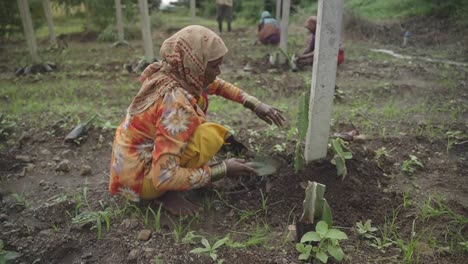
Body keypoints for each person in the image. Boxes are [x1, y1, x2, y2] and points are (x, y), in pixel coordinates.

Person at [109, 25, 285, 216]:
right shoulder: (176, 104)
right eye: (214, 65)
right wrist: (221, 170)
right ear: (196, 65)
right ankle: (162, 194)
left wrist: (253, 103)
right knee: (209, 135)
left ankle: (168, 184)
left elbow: (217, 85)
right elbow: (163, 176)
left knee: (201, 121)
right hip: (142, 181)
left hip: (127, 169)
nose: (218, 72)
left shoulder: (173, 72)